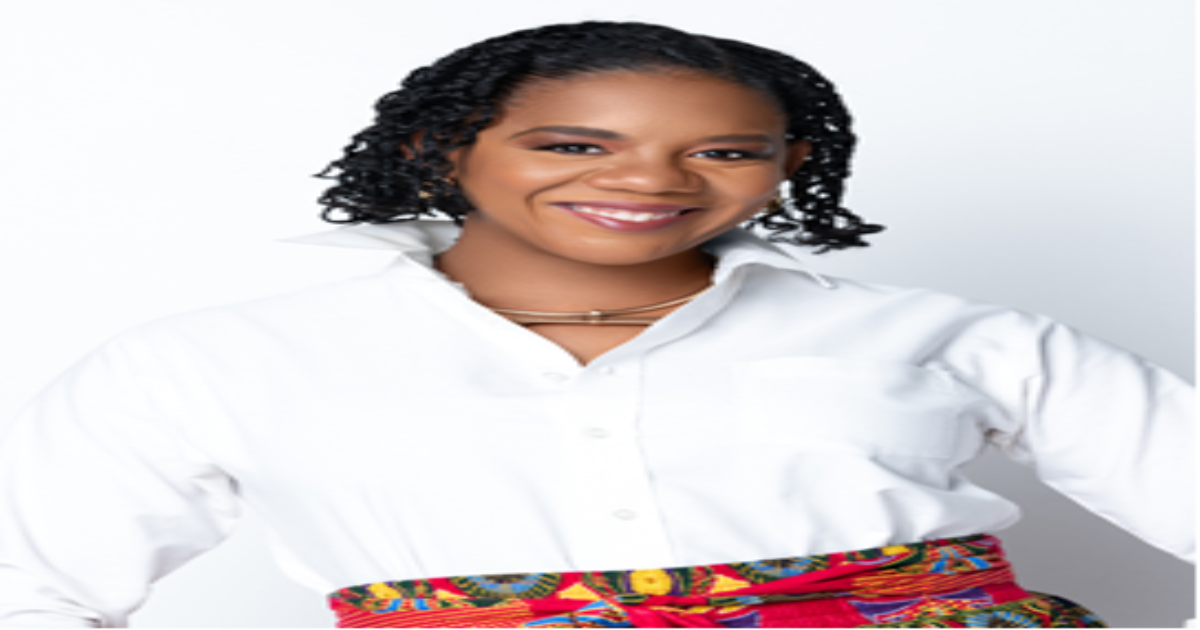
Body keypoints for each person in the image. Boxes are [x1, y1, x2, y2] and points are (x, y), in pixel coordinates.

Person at [0, 20, 1194, 630]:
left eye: (727, 149)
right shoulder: (207, 364)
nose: (653, 180)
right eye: (573, 144)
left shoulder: (951, 336)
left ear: (792, 166)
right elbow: (34, 588)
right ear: (438, 148)